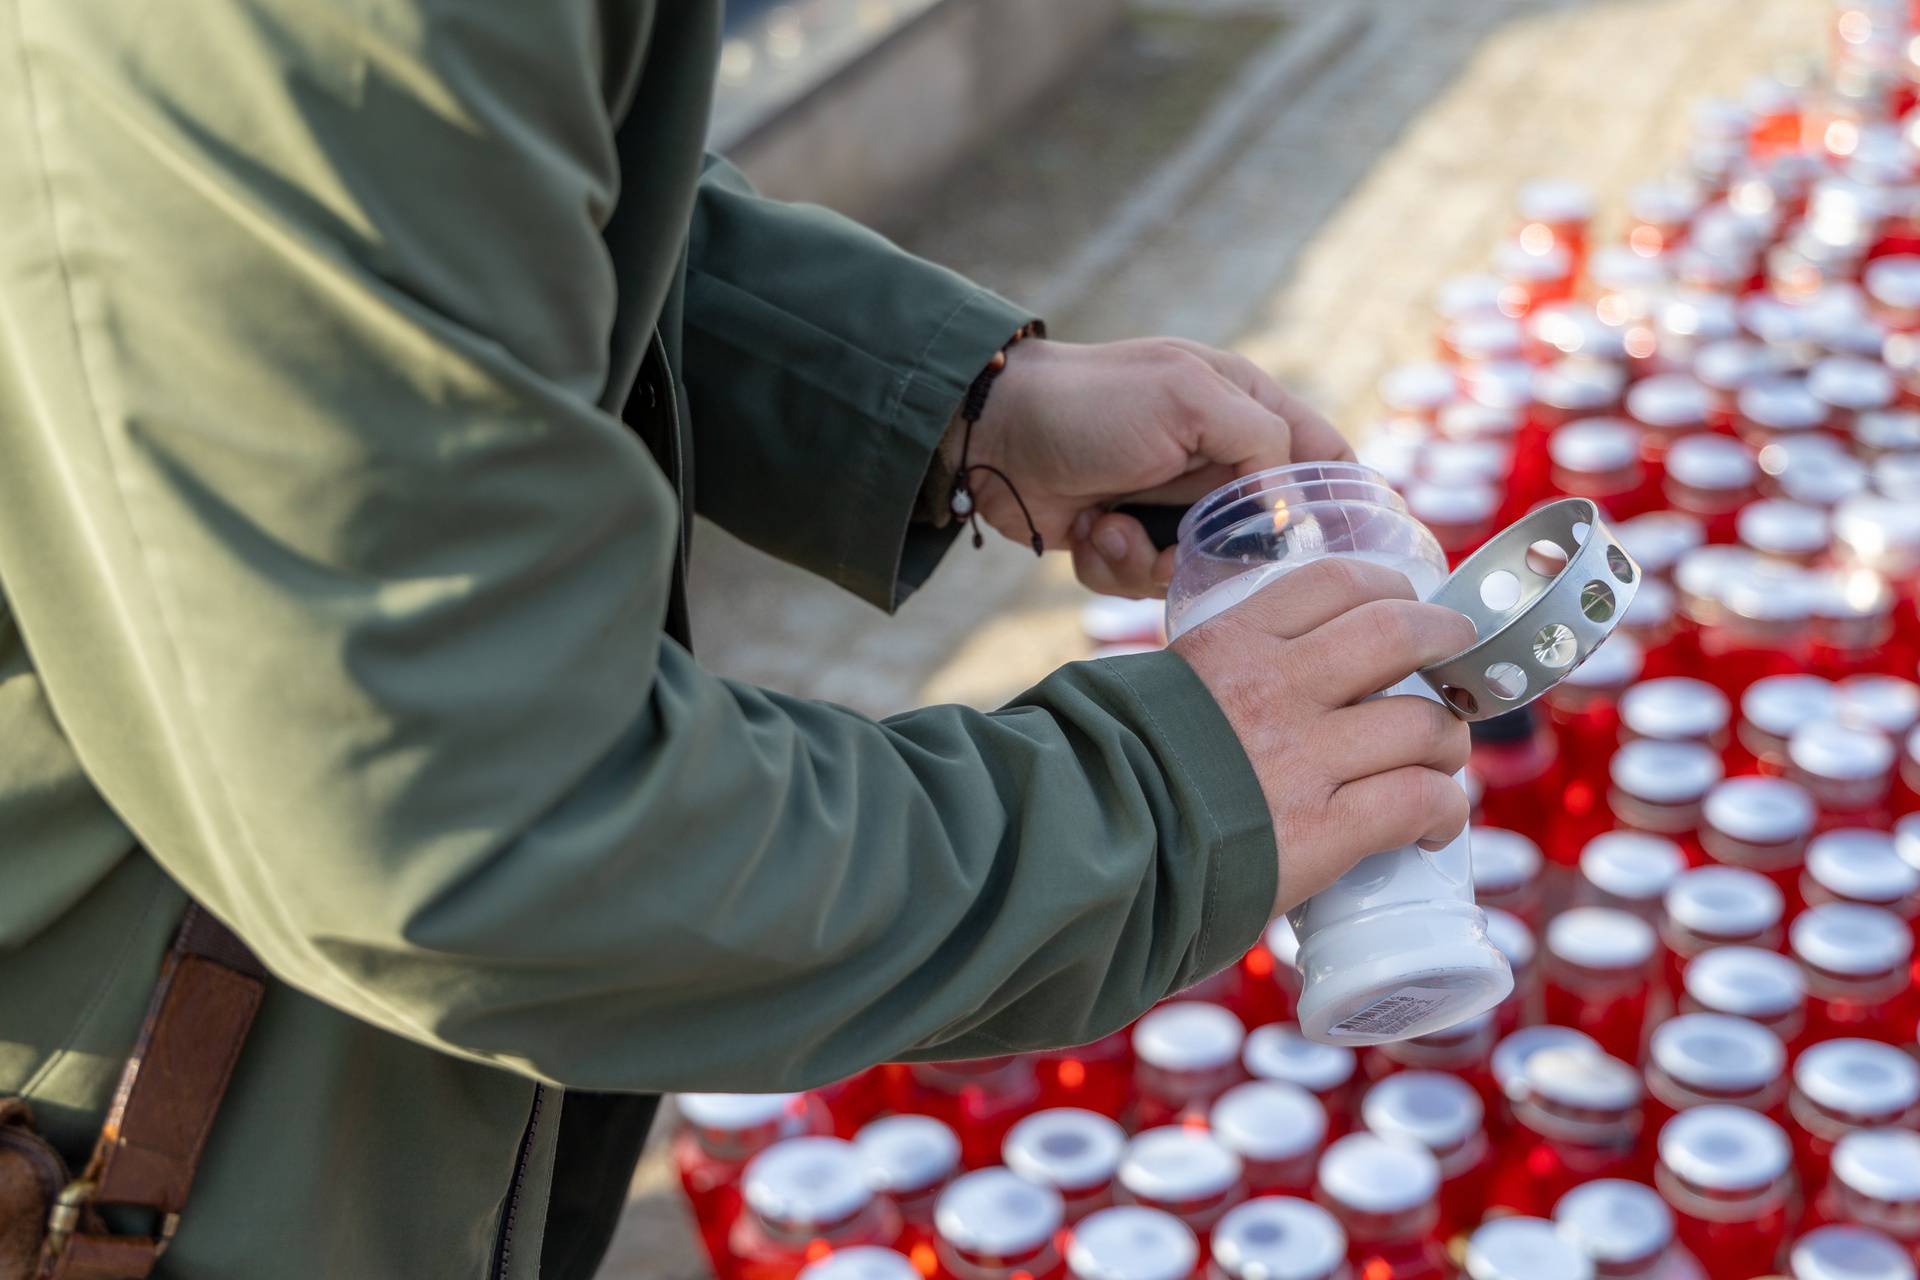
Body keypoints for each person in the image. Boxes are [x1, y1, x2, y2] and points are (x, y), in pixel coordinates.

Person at [0, 3, 1473, 1277]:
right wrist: (1161, 802)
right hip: (137, 1119)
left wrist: (953, 403)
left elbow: (487, 204)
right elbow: (482, 825)